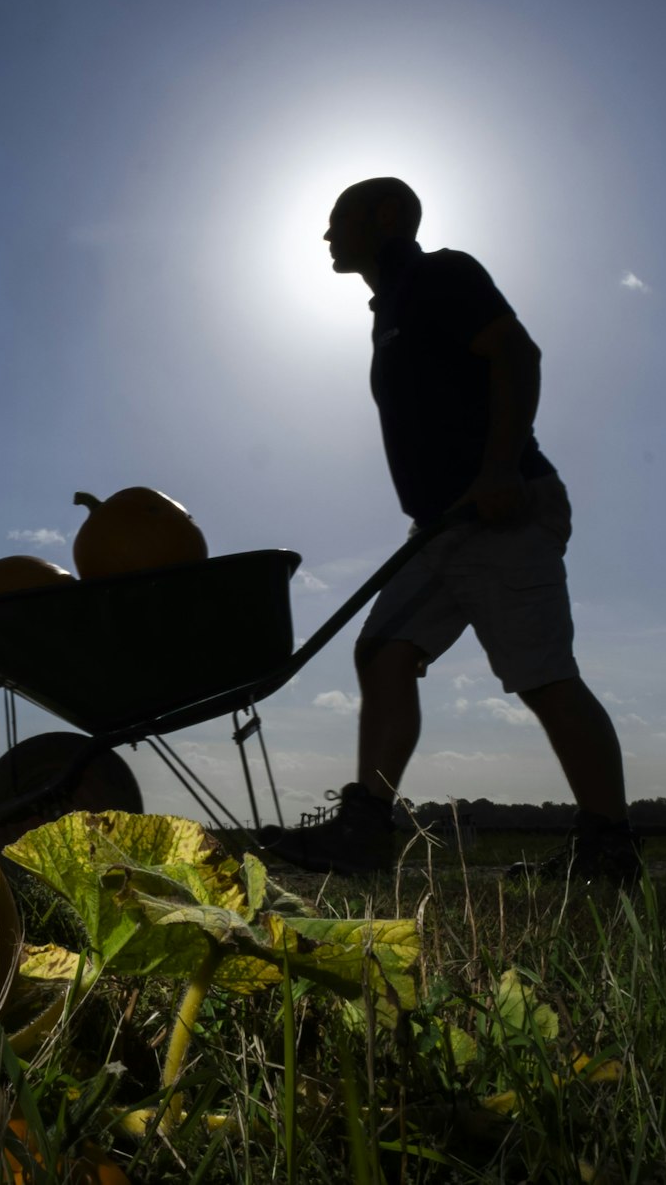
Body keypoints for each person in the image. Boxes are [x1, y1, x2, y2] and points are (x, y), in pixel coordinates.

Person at [260, 177, 640, 884]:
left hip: (500, 509)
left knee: (543, 675)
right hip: (440, 528)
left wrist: (499, 468)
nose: (327, 233)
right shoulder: (390, 309)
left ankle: (609, 846)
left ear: (386, 216)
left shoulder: (441, 275)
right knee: (383, 650)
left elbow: (517, 355)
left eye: (339, 218)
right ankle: (365, 830)